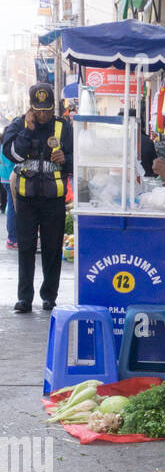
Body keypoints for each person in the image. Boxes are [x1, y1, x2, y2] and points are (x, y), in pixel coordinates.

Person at [2, 83, 72, 313]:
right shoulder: (18, 125)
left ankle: (49, 297)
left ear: (54, 108)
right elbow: (13, 154)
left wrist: (66, 159)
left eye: (47, 110)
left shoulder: (63, 127)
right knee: (26, 249)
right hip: (27, 198)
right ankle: (24, 298)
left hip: (54, 200)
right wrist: (29, 129)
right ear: (31, 108)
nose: (43, 115)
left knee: (52, 250)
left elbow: (78, 157)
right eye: (38, 110)